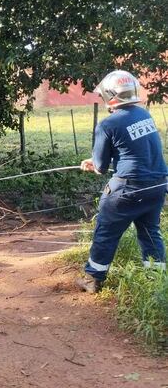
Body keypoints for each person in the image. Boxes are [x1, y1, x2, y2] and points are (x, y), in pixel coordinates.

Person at [77, 70, 167, 293]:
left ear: (110, 96)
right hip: (157, 185)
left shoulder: (107, 124)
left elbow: (101, 167)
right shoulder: (144, 115)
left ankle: (93, 279)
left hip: (128, 189)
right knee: (149, 232)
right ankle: (157, 280)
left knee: (106, 231)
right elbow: (135, 149)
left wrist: (93, 164)